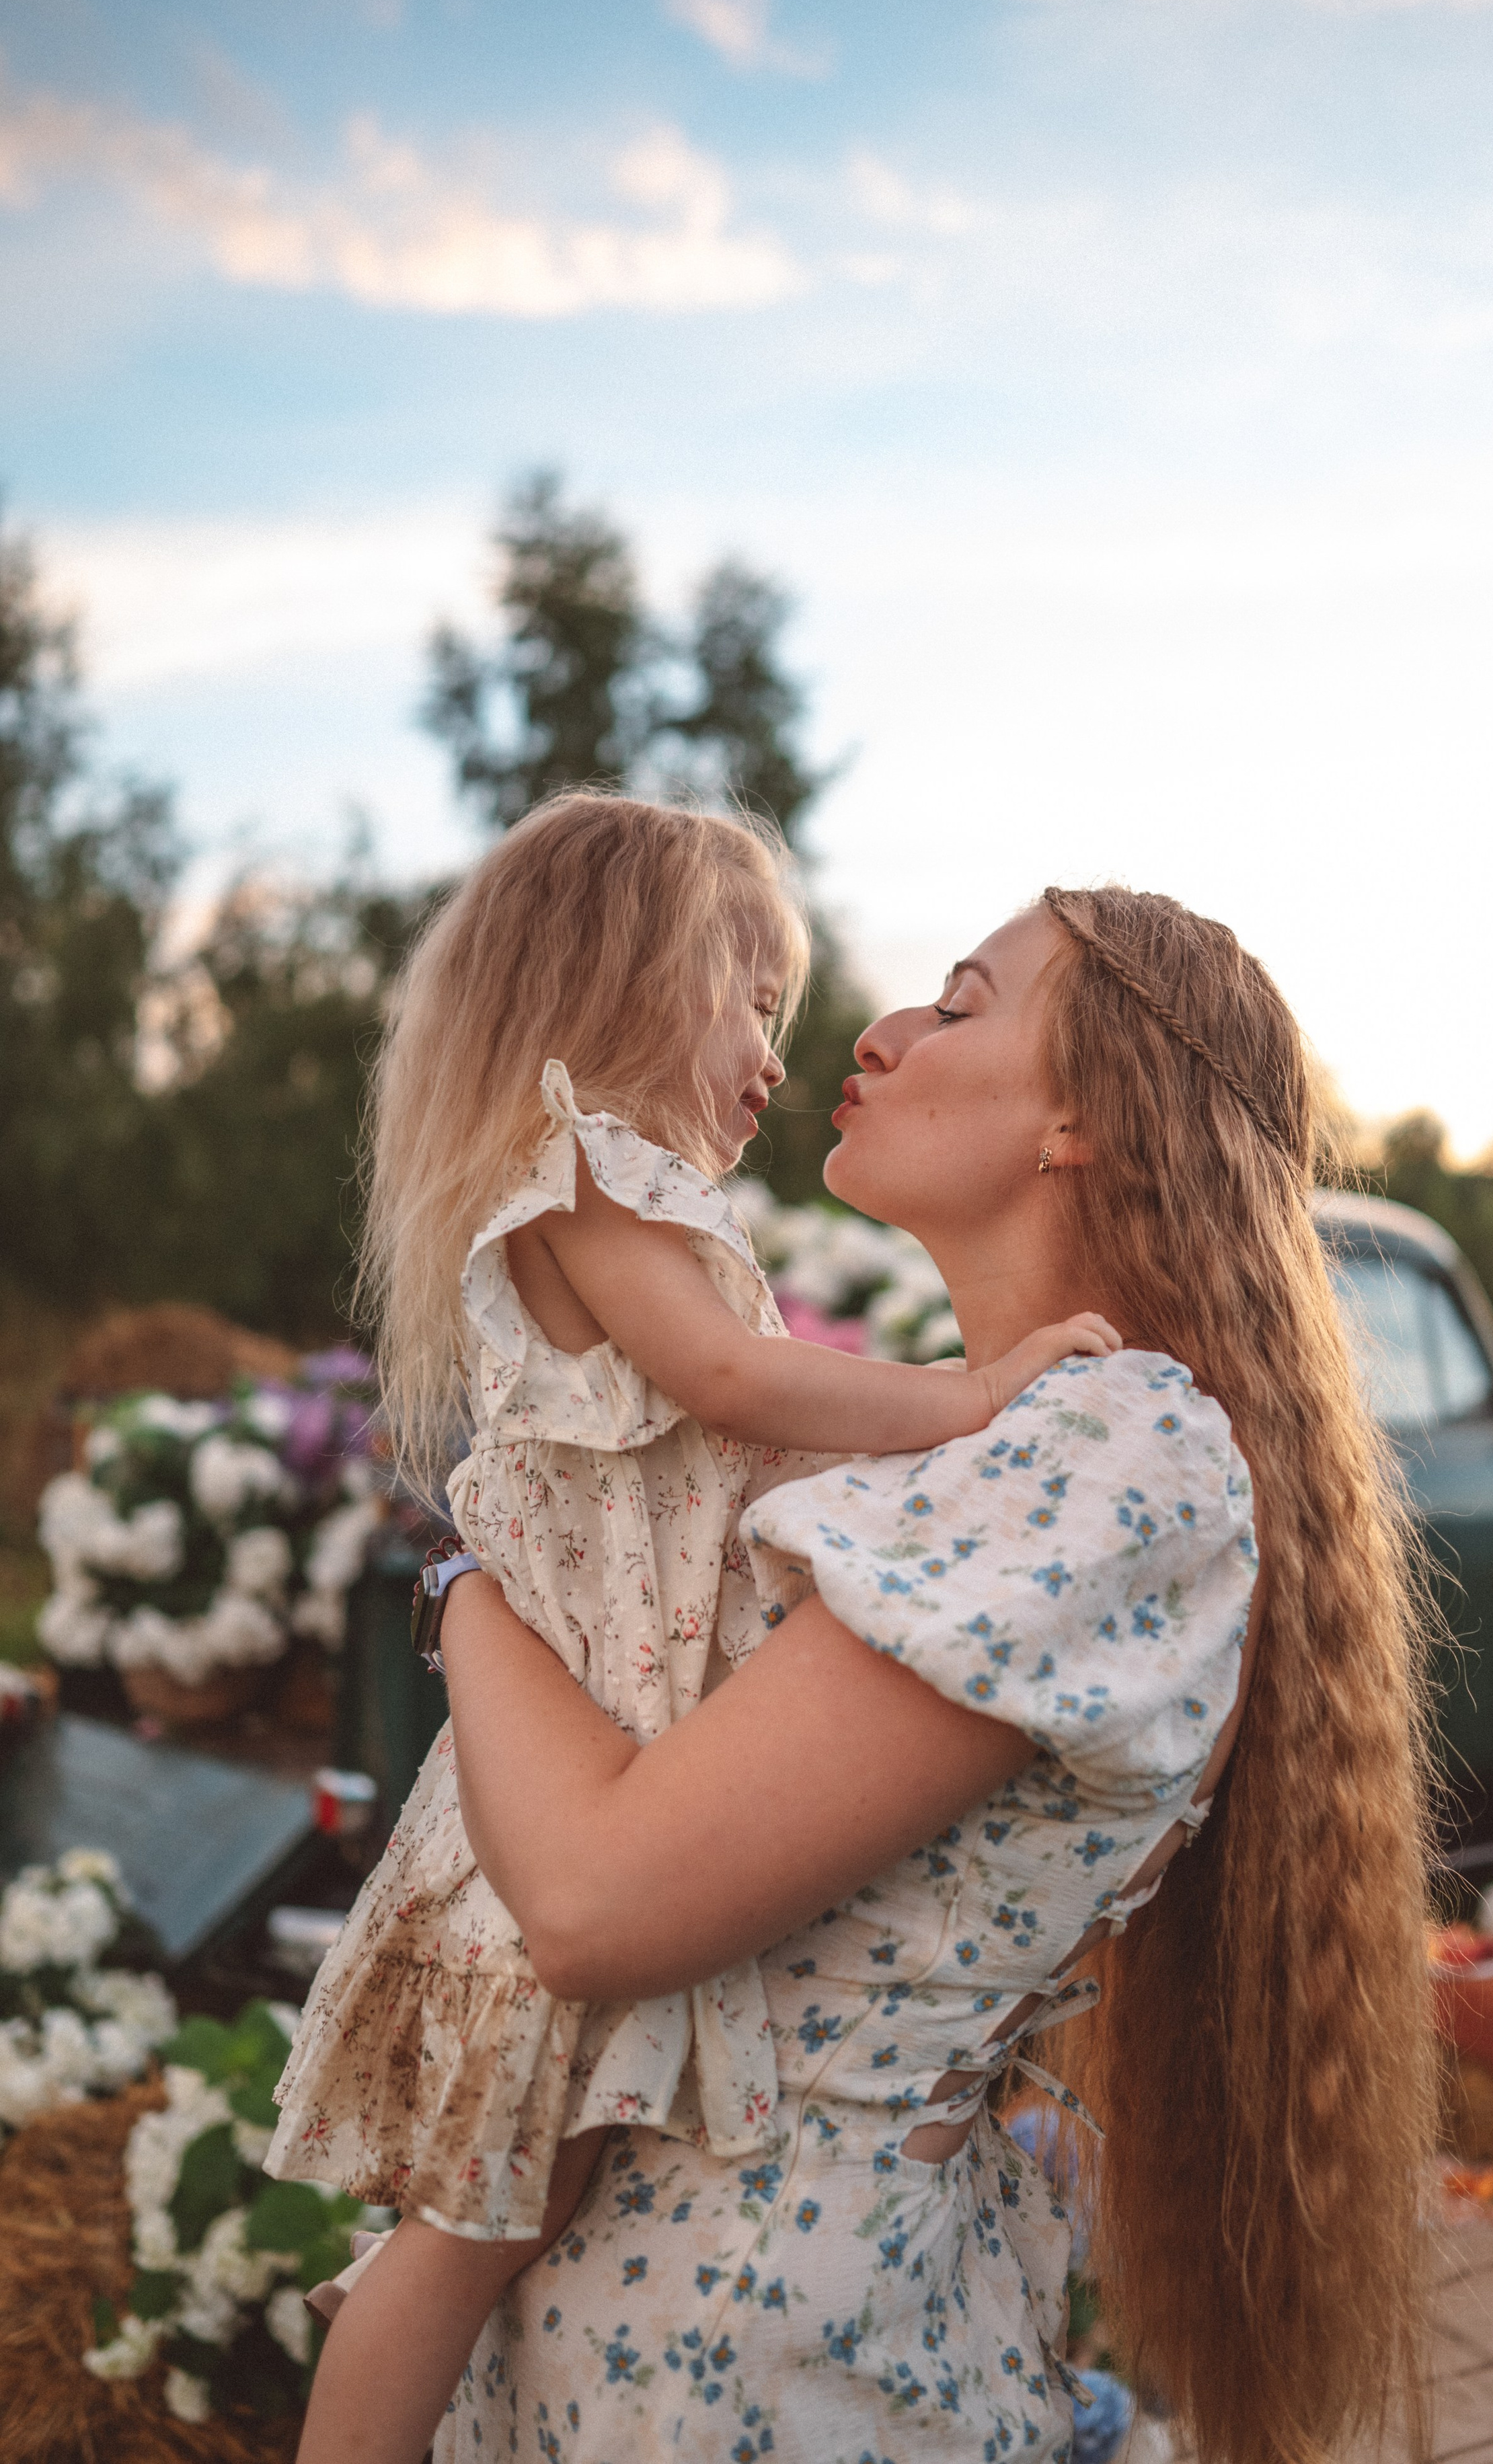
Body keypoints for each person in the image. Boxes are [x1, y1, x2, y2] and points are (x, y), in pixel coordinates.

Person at [414, 883, 1439, 2464]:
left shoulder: (1109, 1452)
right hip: (698, 2327)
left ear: (1083, 1118)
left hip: (739, 2367)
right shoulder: (1016, 1445)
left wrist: (458, 1590)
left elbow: (597, 1901)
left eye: (958, 1006)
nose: (877, 1037)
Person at [273, 794, 1120, 2464]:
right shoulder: (589, 1170)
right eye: (751, 1003)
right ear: (629, 981)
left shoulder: (630, 1197)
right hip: (580, 1758)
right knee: (461, 2249)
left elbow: (725, 1456)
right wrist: (968, 1396)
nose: (773, 1058)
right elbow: (736, 1386)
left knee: (513, 2214)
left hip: (602, 1730)